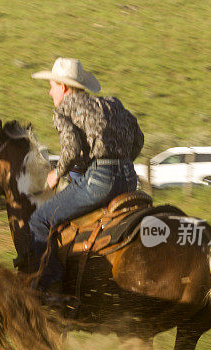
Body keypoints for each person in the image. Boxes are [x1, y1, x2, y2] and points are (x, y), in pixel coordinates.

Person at [29, 57, 144, 292]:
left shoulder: (63, 110)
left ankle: (50, 283)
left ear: (63, 86)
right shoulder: (114, 105)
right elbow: (138, 139)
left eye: (51, 86)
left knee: (39, 220)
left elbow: (70, 148)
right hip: (130, 179)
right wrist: (120, 163)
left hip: (100, 179)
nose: (50, 93)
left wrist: (56, 173)